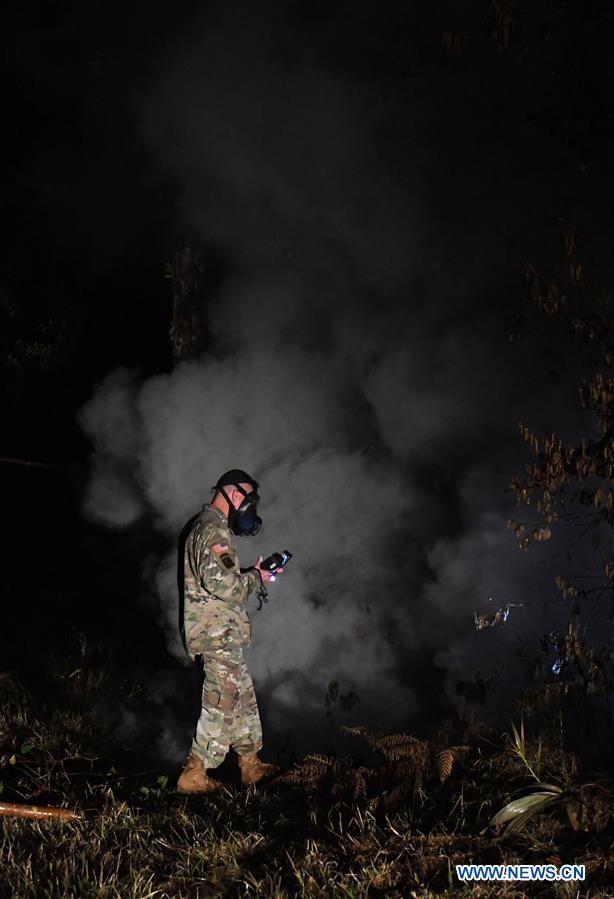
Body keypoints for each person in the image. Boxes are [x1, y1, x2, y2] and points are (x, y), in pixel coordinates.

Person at [177, 468, 282, 793]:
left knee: (242, 699)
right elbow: (229, 588)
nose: (250, 507)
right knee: (221, 701)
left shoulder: (210, 528)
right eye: (248, 499)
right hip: (214, 635)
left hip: (222, 633)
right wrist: (256, 578)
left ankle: (251, 765)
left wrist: (252, 574)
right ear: (235, 495)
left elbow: (221, 582)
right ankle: (194, 773)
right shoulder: (211, 531)